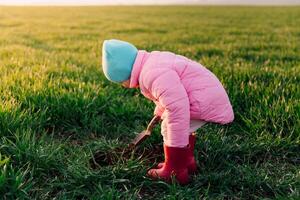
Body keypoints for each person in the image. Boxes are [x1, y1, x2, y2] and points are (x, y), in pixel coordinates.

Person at [101, 39, 234, 185]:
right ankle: (187, 162)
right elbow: (171, 94)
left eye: (121, 82)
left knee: (169, 127)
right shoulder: (152, 62)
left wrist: (169, 122)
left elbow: (176, 107)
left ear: (124, 72)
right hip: (207, 95)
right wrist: (159, 112)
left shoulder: (150, 74)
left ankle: (175, 171)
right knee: (178, 125)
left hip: (205, 101)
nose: (124, 86)